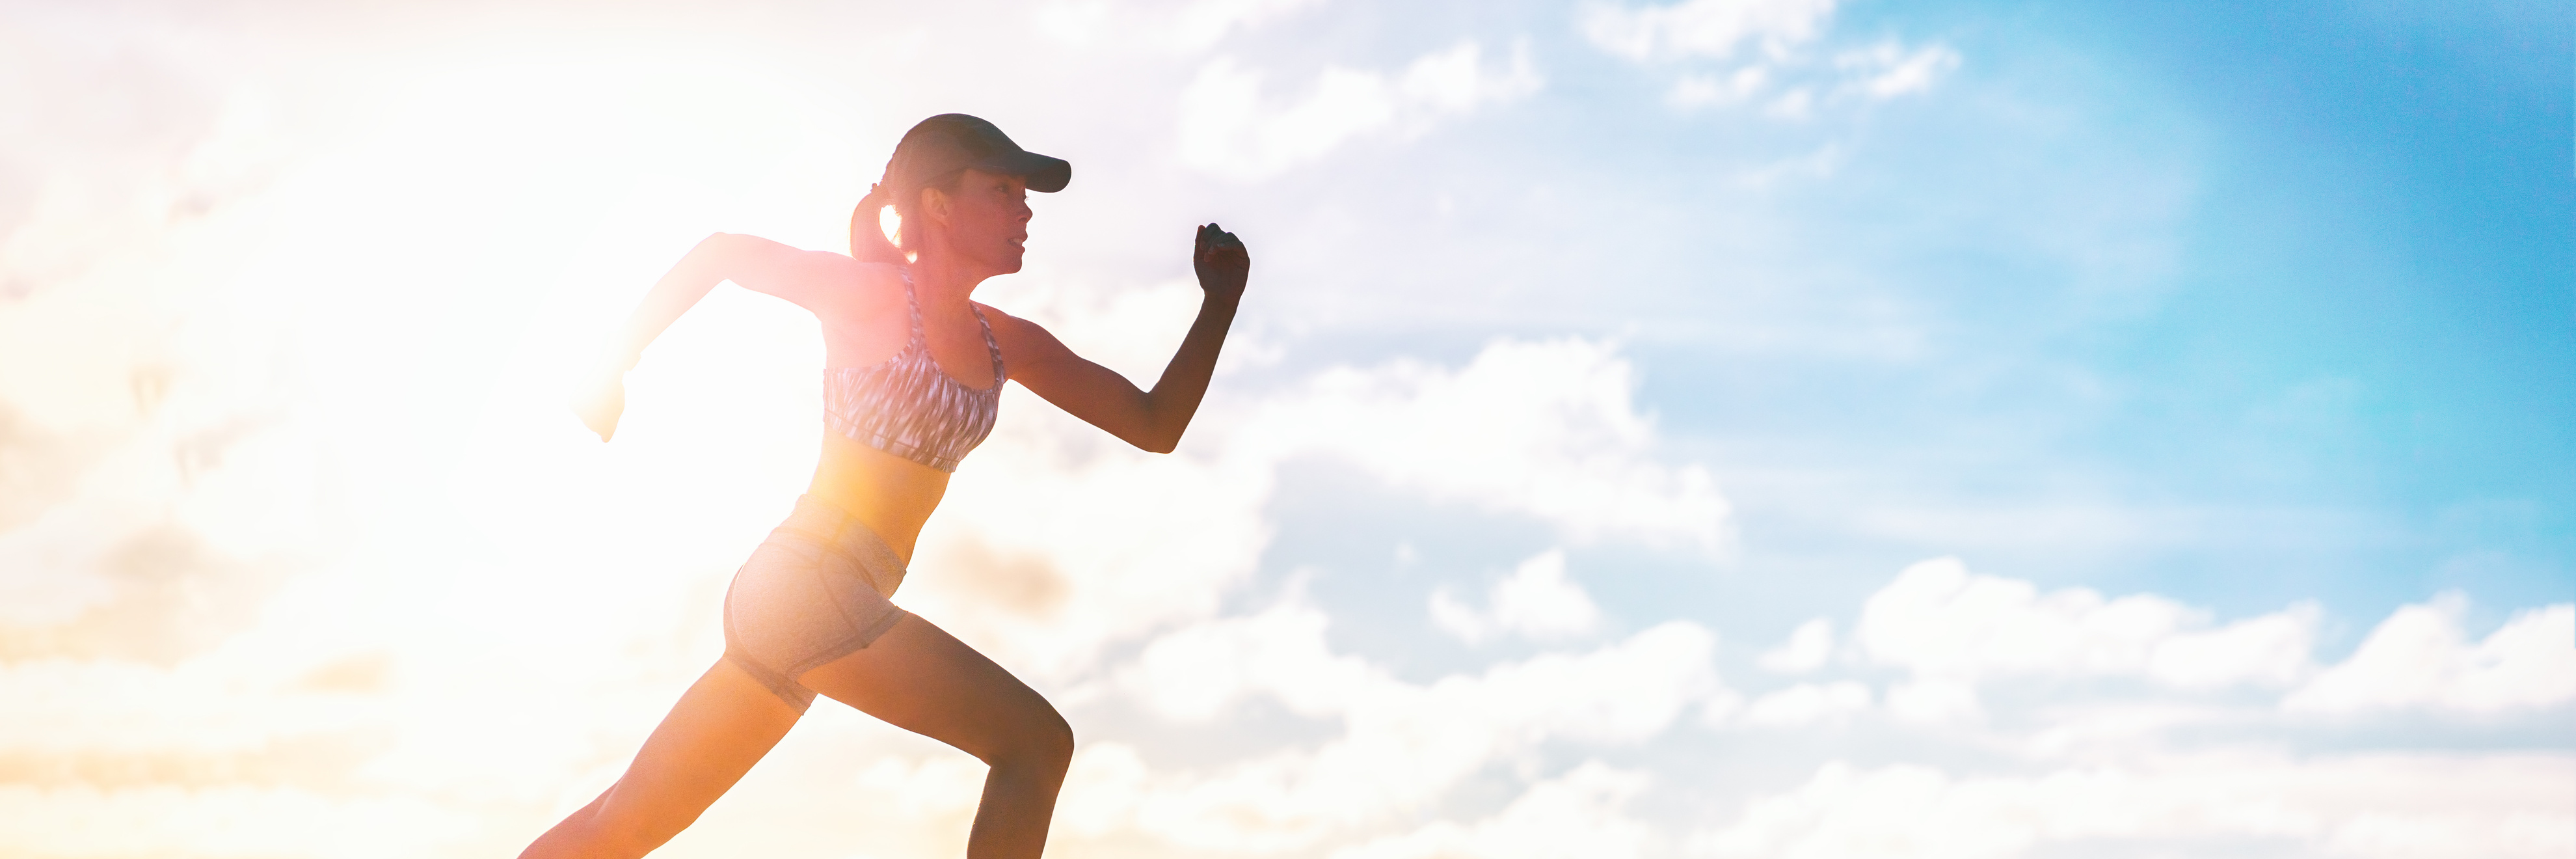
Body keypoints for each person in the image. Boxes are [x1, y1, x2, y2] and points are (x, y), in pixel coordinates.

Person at [524, 114, 1249, 859]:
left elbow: (1154, 424)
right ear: (937, 204)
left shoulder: (1007, 342)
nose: (1025, 209)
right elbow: (723, 255)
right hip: (807, 585)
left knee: (624, 827)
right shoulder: (867, 293)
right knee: (1034, 744)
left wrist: (1219, 305)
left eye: (1025, 194)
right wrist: (612, 365)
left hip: (824, 602)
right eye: (1002, 189)